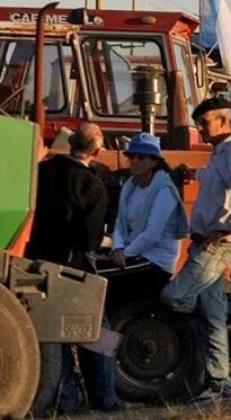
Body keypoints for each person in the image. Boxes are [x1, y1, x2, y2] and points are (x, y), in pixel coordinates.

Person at [161, 96, 231, 403]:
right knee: (213, 317)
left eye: (204, 123)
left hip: (215, 245)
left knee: (175, 297)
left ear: (223, 121)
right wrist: (193, 175)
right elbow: (217, 181)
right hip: (208, 241)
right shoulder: (220, 153)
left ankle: (196, 357)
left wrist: (227, 229)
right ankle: (220, 385)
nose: (200, 129)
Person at [26, 122, 119, 413]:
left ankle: (64, 400)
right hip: (75, 266)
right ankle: (105, 398)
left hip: (39, 261)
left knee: (55, 333)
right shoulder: (93, 186)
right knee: (99, 334)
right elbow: (90, 239)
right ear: (97, 150)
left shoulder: (43, 173)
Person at [108, 133, 189, 311]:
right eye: (131, 156)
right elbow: (120, 224)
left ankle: (111, 333)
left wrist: (125, 253)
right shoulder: (130, 186)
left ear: (154, 162)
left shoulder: (164, 191)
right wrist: (117, 248)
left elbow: (152, 234)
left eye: (141, 157)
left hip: (156, 261)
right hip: (133, 254)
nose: (134, 161)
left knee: (104, 279)